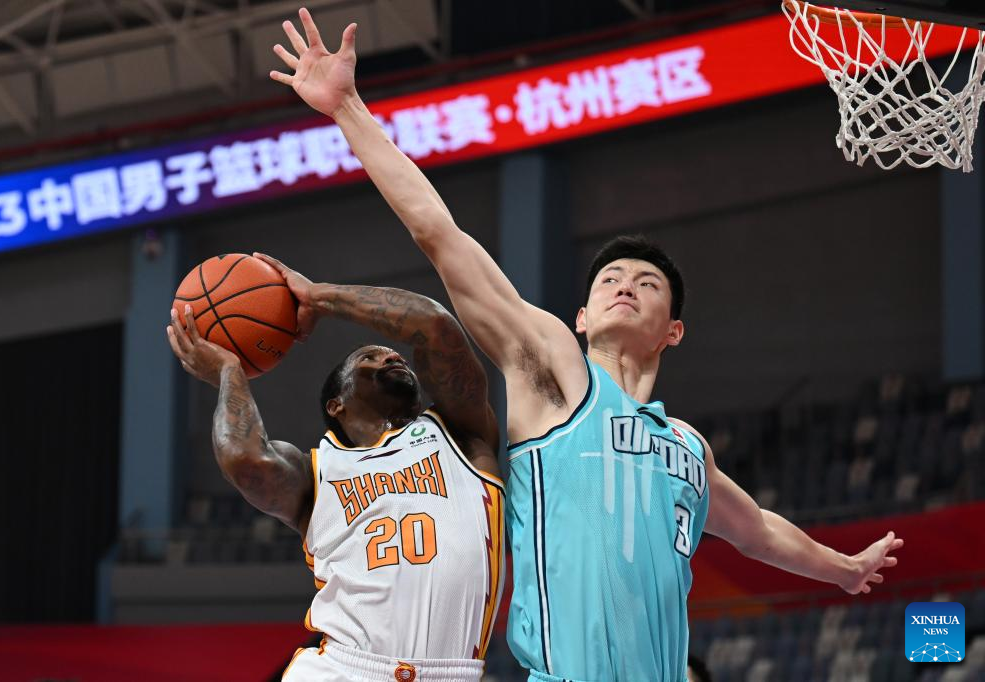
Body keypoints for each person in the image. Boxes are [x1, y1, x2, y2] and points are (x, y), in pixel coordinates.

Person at [269, 9, 904, 681]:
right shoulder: (553, 372)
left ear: (673, 330)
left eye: (647, 283)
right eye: (610, 279)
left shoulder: (687, 450)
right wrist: (348, 110)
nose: (625, 284)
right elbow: (440, 234)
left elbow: (758, 531)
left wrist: (843, 569)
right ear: (579, 316)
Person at [166, 257, 505, 682]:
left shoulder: (459, 434)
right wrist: (230, 372)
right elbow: (243, 460)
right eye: (368, 357)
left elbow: (435, 325)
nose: (390, 355)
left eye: (391, 353)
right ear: (336, 404)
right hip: (343, 669)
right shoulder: (315, 471)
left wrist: (317, 297)